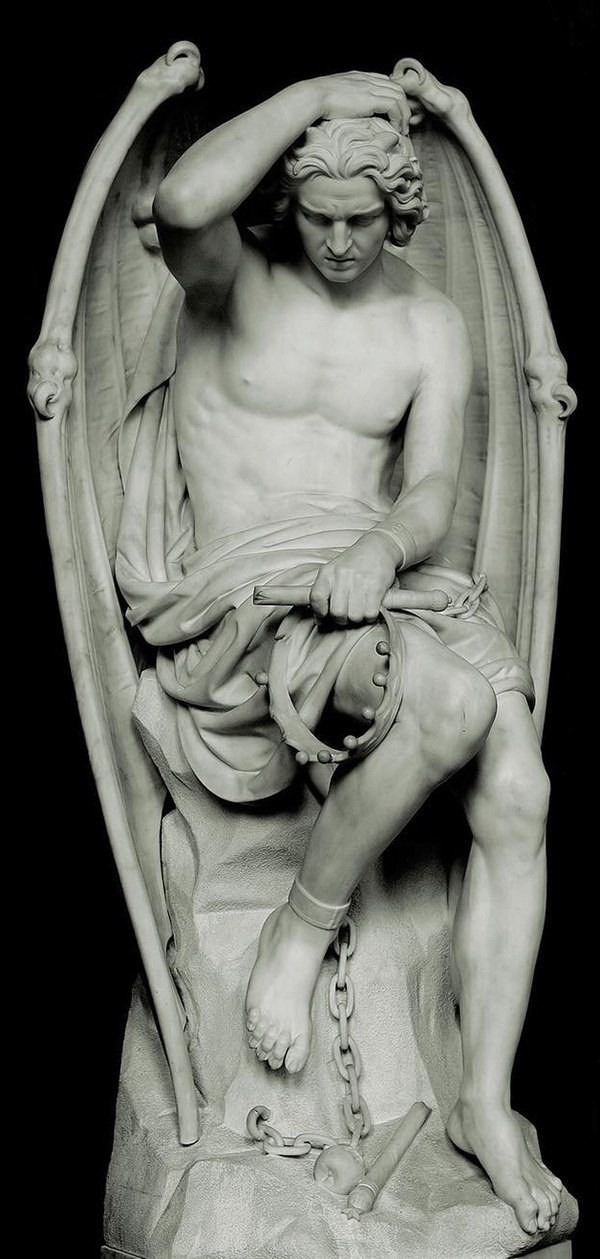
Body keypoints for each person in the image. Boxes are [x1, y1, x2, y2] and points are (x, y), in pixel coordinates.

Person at [139, 70, 562, 1236]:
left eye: (362, 219)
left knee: (521, 787)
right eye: (318, 216)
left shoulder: (429, 324)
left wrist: (380, 548)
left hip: (384, 579)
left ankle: (482, 1097)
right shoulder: (233, 282)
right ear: (289, 204)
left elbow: (430, 489)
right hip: (253, 597)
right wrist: (326, 90)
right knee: (453, 706)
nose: (336, 241)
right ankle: (297, 927)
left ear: (399, 208)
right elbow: (182, 201)